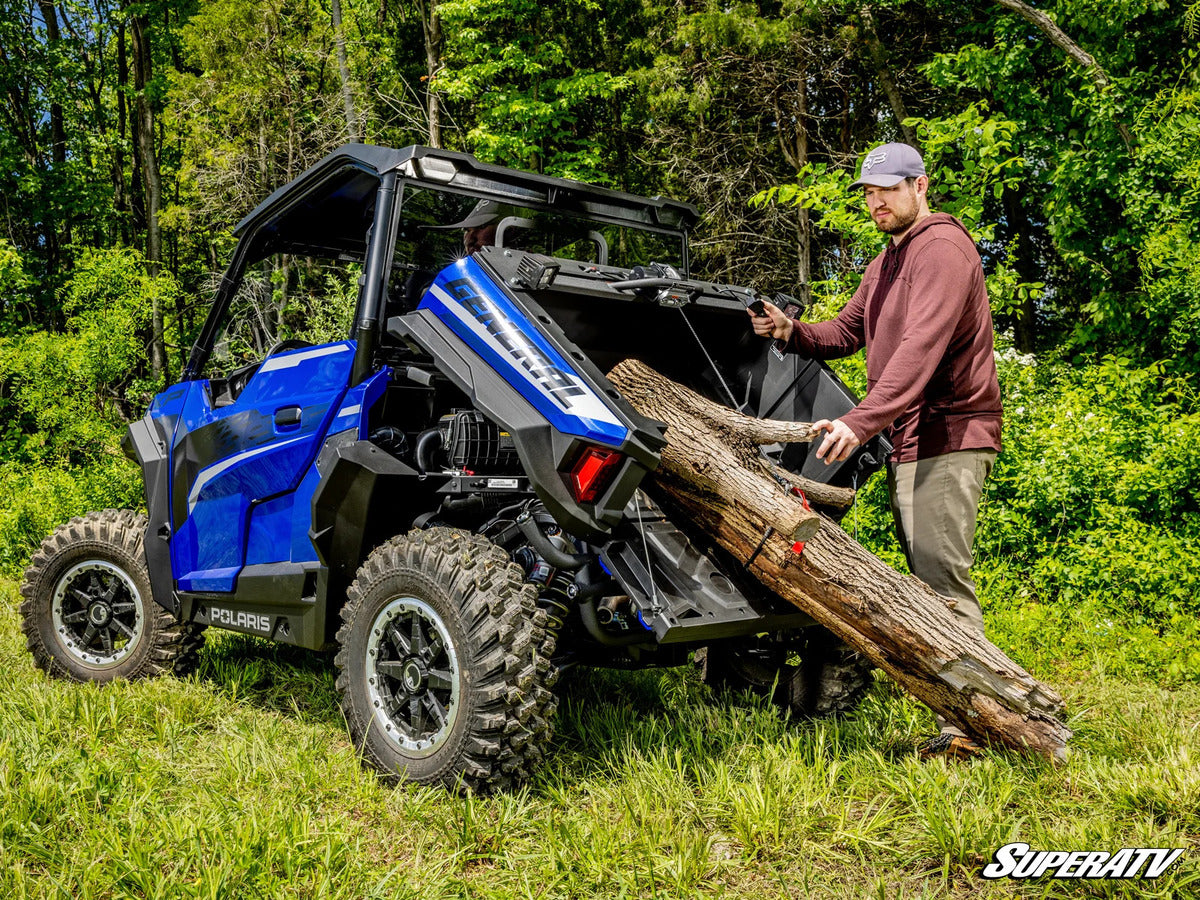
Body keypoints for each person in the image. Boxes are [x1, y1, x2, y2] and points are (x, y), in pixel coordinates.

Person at [749, 142, 1002, 760]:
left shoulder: (941, 249)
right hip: (912, 438)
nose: (876, 201)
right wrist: (793, 331)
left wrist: (860, 423)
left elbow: (920, 350)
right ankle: (966, 709)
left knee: (940, 582)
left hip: (948, 434)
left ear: (921, 185)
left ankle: (975, 723)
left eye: (888, 188)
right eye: (868, 191)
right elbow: (847, 332)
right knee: (927, 579)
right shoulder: (889, 258)